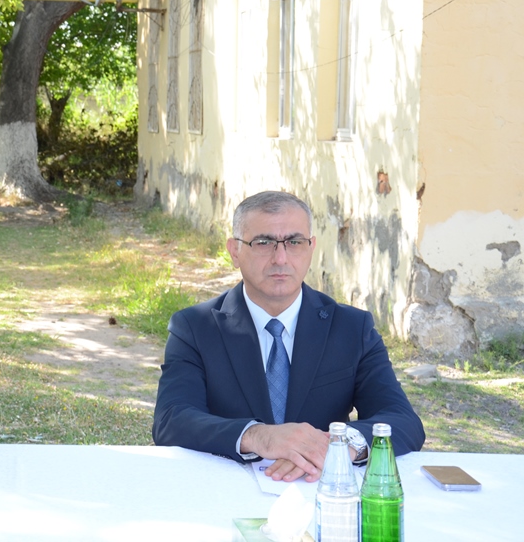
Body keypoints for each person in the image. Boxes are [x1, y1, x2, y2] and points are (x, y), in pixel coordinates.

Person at [152, 191, 424, 482]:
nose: (280, 258)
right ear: (235, 251)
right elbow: (172, 419)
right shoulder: (195, 327)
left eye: (294, 242)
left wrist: (339, 447)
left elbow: (402, 420)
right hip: (225, 485)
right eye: (263, 242)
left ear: (311, 248)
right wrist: (257, 436)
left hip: (318, 487)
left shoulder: (352, 328)